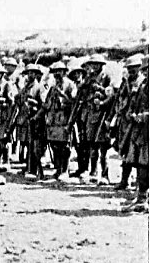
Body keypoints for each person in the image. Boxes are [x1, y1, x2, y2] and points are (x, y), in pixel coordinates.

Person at [37, 61, 77, 181]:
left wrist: (62, 95)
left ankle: (65, 170)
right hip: (53, 120)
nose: (57, 74)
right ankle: (58, 169)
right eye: (55, 72)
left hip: (65, 119)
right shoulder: (52, 86)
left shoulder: (70, 85)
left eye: (59, 71)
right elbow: (46, 102)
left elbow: (74, 102)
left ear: (64, 72)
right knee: (55, 146)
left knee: (65, 147)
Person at [111, 55, 145, 190]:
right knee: (125, 151)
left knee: (136, 153)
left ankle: (138, 183)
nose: (131, 71)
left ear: (139, 68)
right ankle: (124, 180)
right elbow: (118, 99)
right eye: (129, 69)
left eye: (134, 69)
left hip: (138, 123)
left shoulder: (143, 83)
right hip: (125, 122)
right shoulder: (125, 82)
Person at [121, 55, 148, 212]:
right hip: (141, 131)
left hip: (145, 127)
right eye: (145, 70)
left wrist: (144, 116)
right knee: (142, 164)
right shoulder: (144, 84)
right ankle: (142, 197)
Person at [83, 54, 113, 185]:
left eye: (97, 64)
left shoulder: (107, 77)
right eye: (92, 64)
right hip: (91, 115)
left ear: (101, 65)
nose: (94, 66)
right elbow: (82, 94)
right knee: (92, 147)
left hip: (102, 114)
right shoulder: (89, 78)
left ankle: (105, 175)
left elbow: (111, 95)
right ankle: (93, 172)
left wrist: (100, 94)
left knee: (103, 148)